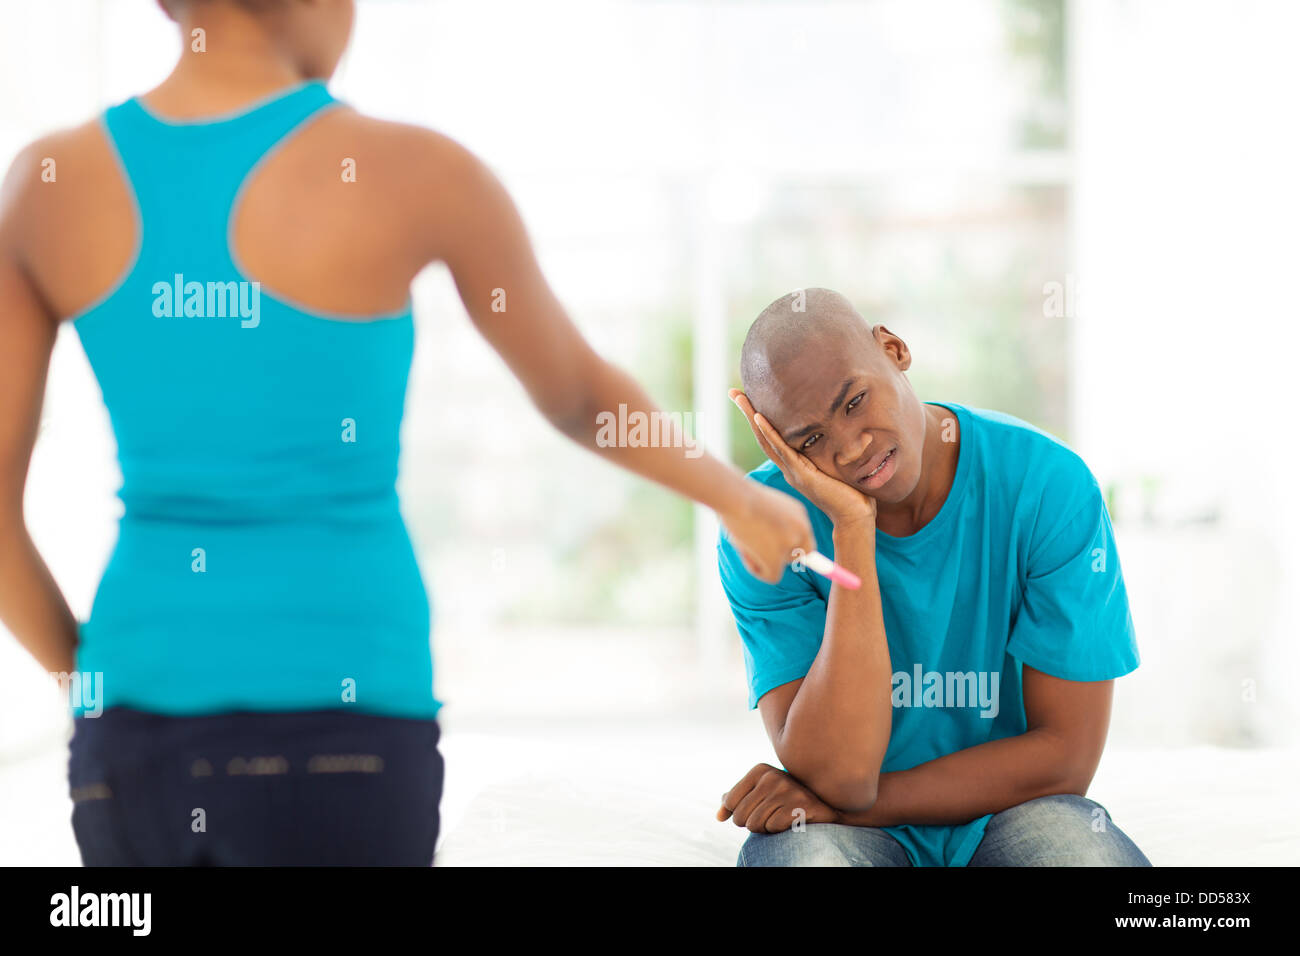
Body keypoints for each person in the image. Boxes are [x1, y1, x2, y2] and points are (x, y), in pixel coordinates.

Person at [0, 0, 814, 866]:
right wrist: (736, 498)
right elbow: (577, 395)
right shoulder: (414, 171)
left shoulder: (50, 182)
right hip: (347, 722)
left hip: (136, 731)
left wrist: (94, 690)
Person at [715, 288, 1151, 866]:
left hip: (1014, 810)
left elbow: (1065, 758)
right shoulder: (766, 529)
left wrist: (857, 806)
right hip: (846, 835)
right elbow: (837, 776)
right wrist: (850, 528)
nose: (851, 449)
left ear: (893, 349)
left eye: (854, 402)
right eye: (810, 441)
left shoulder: (1048, 485)